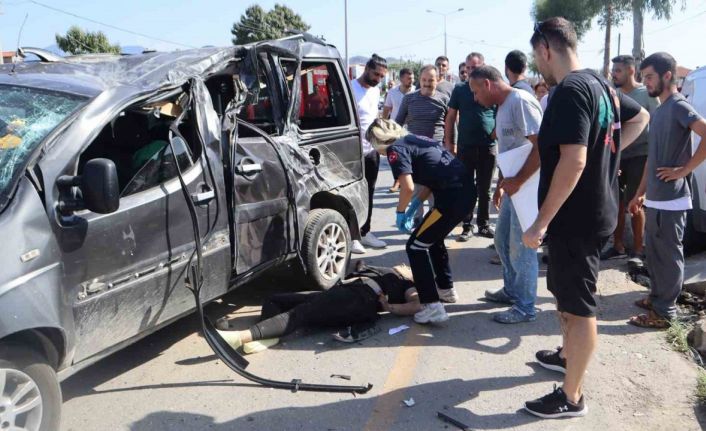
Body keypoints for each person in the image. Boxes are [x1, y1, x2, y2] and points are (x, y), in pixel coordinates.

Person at [522, 17, 649, 418]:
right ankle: (566, 356)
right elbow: (639, 118)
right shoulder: (600, 83)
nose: (537, 65)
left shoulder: (570, 90)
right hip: (590, 213)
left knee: (579, 309)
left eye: (536, 56)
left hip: (576, 219)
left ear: (546, 49)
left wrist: (541, 222)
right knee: (565, 293)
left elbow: (574, 161)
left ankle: (572, 397)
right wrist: (606, 157)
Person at [367, 119, 476, 323]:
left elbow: (406, 187)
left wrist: (400, 212)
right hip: (463, 193)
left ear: (378, 141)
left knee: (415, 247)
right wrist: (416, 205)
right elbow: (431, 179)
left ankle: (432, 306)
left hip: (451, 198)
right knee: (432, 240)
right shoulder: (414, 139)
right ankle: (446, 289)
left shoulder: (394, 150)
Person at [627, 52, 706, 329]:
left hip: (673, 199)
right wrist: (639, 192)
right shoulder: (660, 110)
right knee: (656, 255)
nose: (644, 82)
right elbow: (652, 158)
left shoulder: (678, 106)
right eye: (644, 76)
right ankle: (657, 299)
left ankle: (665, 313)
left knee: (669, 256)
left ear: (667, 76)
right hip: (657, 199)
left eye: (649, 77)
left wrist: (685, 170)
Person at [468, 65, 543, 324]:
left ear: (488, 84)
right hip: (514, 186)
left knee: (522, 247)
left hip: (529, 187)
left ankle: (525, 307)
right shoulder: (502, 107)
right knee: (502, 241)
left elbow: (541, 146)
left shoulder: (520, 101)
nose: (476, 98)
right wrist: (502, 184)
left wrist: (519, 180)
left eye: (476, 92)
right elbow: (510, 151)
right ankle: (512, 291)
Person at [216, 262, 421, 353]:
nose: (408, 266)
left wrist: (389, 307)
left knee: (300, 313)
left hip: (360, 299)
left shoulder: (407, 284)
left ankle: (240, 338)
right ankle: (268, 336)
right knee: (275, 300)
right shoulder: (389, 271)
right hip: (342, 291)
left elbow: (415, 304)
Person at [600, 55, 660, 264]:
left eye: (618, 70)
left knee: (636, 203)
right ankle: (617, 246)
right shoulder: (612, 94)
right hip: (616, 156)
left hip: (640, 156)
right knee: (615, 202)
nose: (613, 74)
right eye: (613, 70)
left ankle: (637, 250)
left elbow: (658, 124)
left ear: (631, 71)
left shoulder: (646, 94)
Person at [444, 52, 497, 241]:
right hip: (465, 146)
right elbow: (450, 117)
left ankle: (483, 224)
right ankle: (466, 226)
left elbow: (500, 111)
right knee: (466, 188)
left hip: (488, 146)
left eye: (474, 67)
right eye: (468, 67)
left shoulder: (491, 87)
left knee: (484, 188)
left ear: (484, 66)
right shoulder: (459, 89)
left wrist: (496, 131)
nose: (470, 71)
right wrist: (449, 142)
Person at [350, 54, 389, 254]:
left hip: (371, 151)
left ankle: (366, 232)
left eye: (381, 77)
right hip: (352, 153)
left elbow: (374, 118)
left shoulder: (375, 91)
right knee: (353, 194)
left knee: (369, 192)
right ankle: (353, 236)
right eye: (376, 74)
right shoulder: (350, 89)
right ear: (366, 68)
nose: (378, 79)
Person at [395, 64, 449, 142]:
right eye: (424, 80)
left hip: (435, 148)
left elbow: (451, 126)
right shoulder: (408, 98)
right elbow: (398, 123)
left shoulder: (445, 100)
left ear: (437, 80)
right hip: (412, 146)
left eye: (431, 80)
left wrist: (452, 145)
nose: (427, 83)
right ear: (419, 79)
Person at [384, 68, 416, 193]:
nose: (411, 80)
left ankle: (410, 181)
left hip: (412, 130)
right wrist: (384, 127)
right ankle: (397, 181)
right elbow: (386, 109)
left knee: (412, 157)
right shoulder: (392, 92)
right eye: (409, 78)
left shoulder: (416, 91)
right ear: (401, 78)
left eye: (413, 78)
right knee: (396, 157)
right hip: (395, 130)